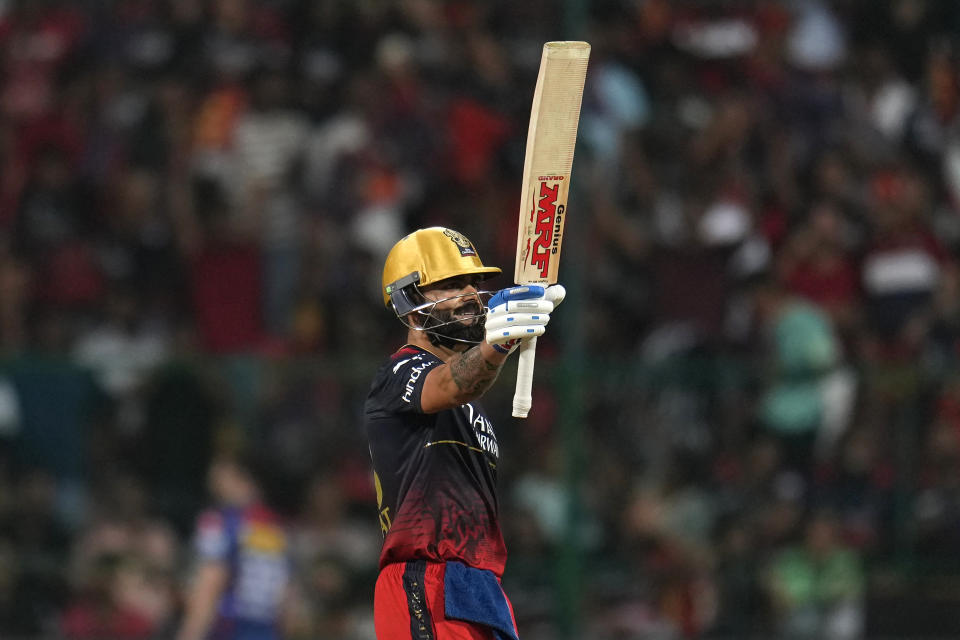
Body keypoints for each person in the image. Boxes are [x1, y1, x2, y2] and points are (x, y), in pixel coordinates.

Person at [364, 227, 564, 640]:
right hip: (426, 582)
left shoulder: (473, 404)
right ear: (411, 303)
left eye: (475, 283)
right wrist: (501, 343)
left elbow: (466, 385)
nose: (473, 295)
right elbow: (451, 384)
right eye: (453, 285)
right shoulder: (399, 371)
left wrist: (499, 344)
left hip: (478, 587)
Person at [176, 452, 291, 640]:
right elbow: (287, 598)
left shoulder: (222, 522)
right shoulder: (277, 528)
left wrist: (190, 634)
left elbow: (210, 584)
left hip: (228, 631)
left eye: (220, 477)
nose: (213, 484)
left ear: (242, 479)